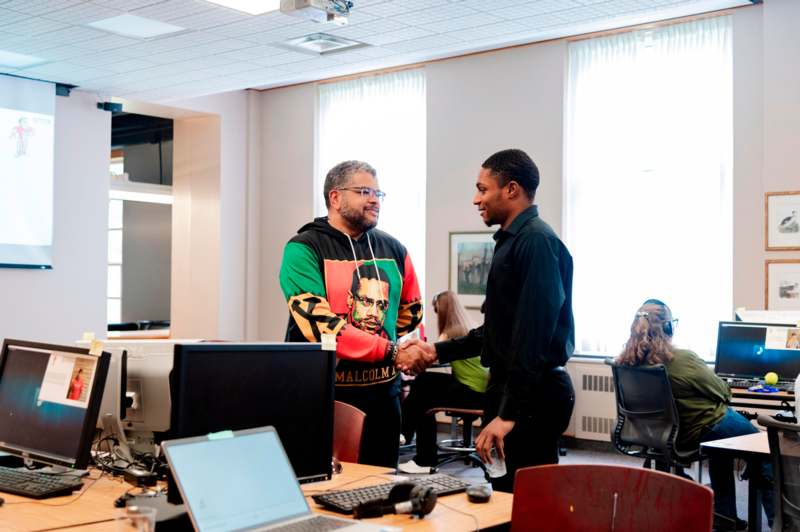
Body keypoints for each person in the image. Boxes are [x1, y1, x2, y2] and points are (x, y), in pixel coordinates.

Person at [405, 148, 575, 492]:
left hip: (531, 398)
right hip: (513, 392)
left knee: (522, 501)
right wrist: (436, 352)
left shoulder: (537, 242)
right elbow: (497, 331)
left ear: (511, 189)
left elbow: (533, 337)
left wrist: (508, 414)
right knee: (502, 495)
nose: (475, 199)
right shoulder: (512, 242)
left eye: (483, 189)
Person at [279, 160, 430, 468]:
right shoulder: (303, 248)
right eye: (364, 191)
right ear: (335, 197)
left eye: (378, 193)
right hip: (325, 394)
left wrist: (390, 351)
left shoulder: (394, 248)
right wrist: (387, 350)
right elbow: (320, 324)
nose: (374, 199)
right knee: (321, 488)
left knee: (382, 487)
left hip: (384, 397)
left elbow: (411, 312)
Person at [616, 299, 773, 530]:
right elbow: (723, 392)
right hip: (699, 429)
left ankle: (725, 516)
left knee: (722, 446)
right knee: (765, 449)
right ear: (668, 327)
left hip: (658, 435)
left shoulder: (626, 362)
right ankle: (783, 521)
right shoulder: (682, 359)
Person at [398, 290, 488, 474]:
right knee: (425, 387)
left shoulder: (449, 333)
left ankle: (415, 448)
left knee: (423, 387)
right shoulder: (470, 327)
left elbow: (429, 358)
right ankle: (411, 441)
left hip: (472, 394)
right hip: (483, 392)